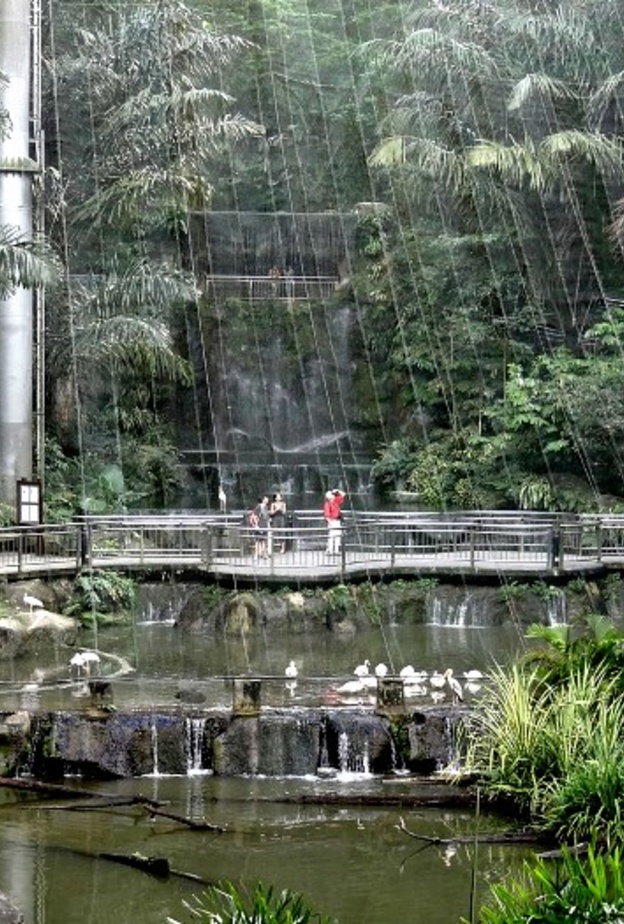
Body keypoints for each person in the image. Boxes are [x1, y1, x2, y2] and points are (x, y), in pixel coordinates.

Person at [323, 488, 345, 555]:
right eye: (332, 495)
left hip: (337, 521)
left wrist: (337, 491)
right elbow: (327, 515)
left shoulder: (336, 502)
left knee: (338, 536)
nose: (333, 495)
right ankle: (330, 550)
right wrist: (330, 523)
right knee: (331, 536)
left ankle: (336, 550)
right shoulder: (327, 504)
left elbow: (343, 494)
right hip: (332, 521)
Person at [252, 495, 271, 560]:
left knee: (264, 541)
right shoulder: (258, 507)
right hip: (259, 525)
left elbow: (266, 516)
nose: (267, 499)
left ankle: (264, 554)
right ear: (263, 500)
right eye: (266, 498)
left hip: (264, 525)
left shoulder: (266, 507)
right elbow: (254, 516)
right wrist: (256, 525)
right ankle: (256, 554)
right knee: (257, 541)